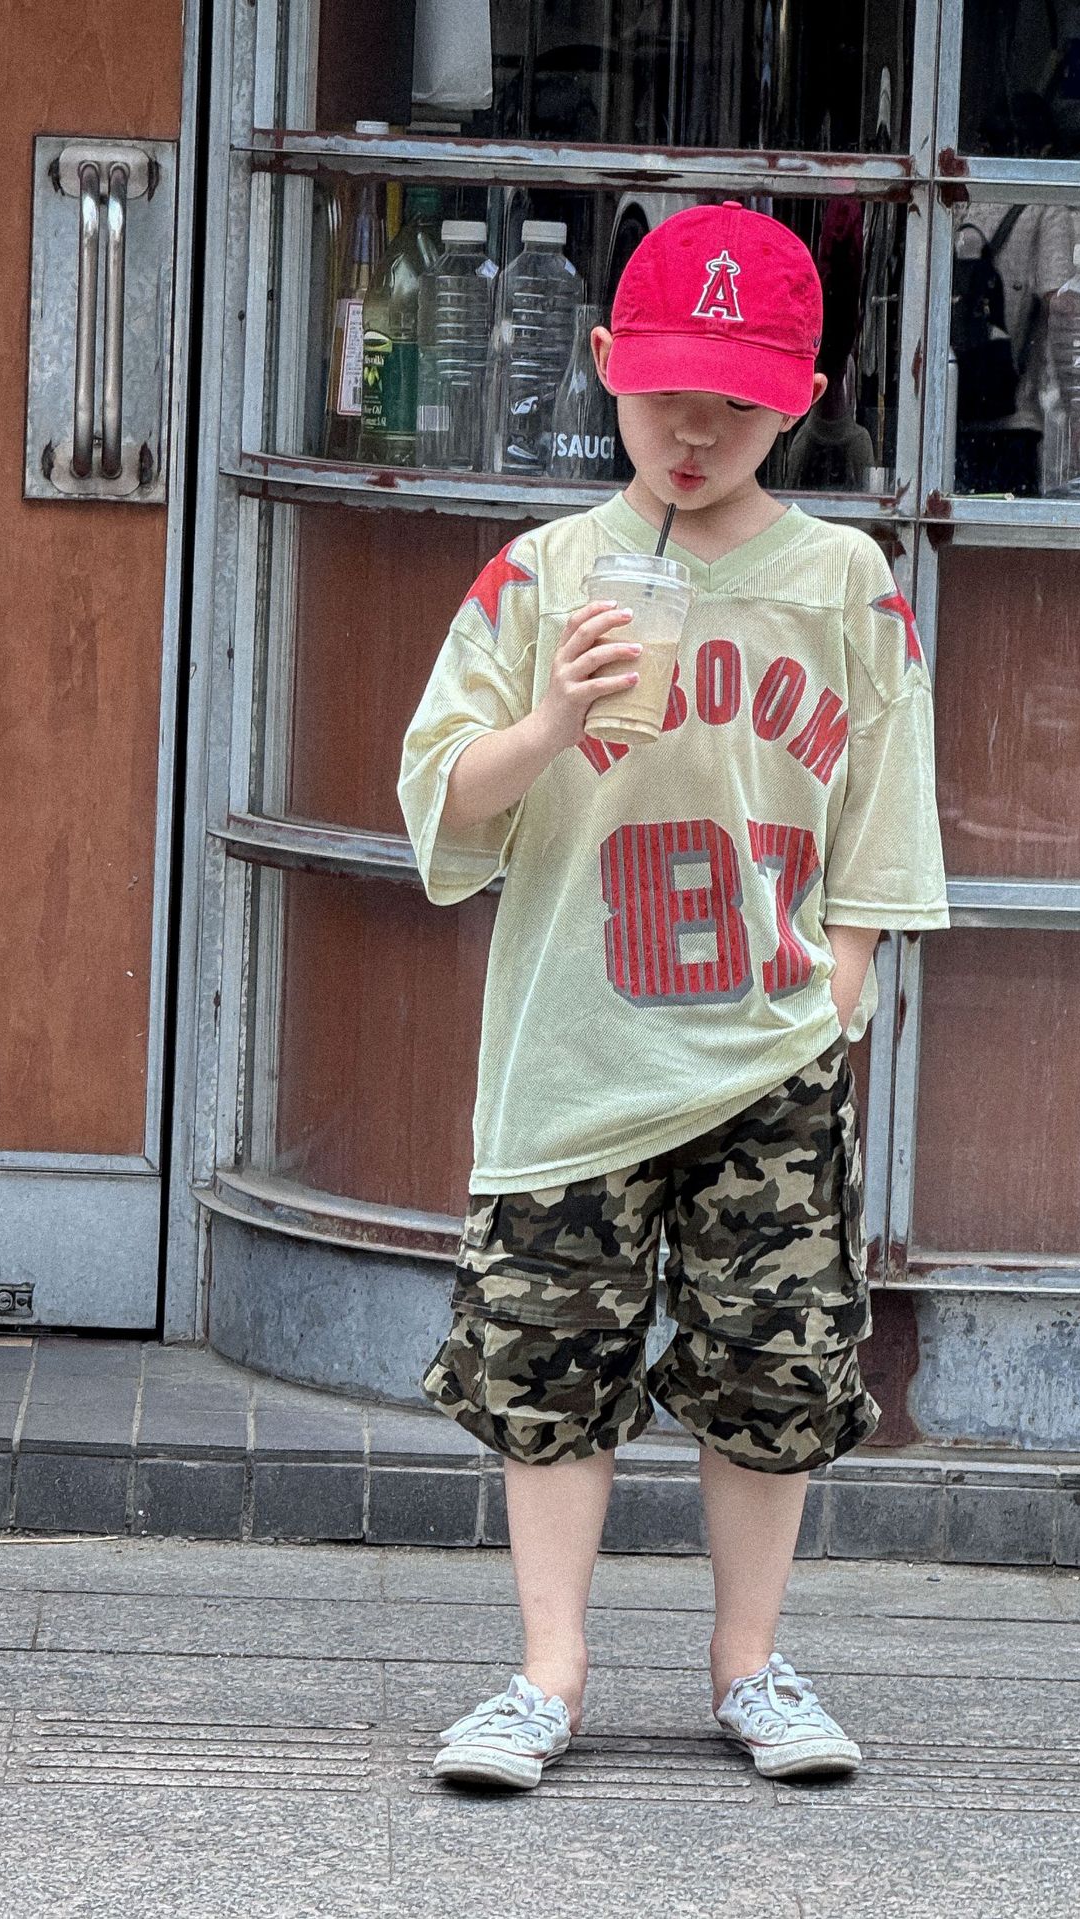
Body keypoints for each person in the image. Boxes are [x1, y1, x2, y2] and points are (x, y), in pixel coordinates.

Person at [398, 200, 949, 1790]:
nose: (693, 433)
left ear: (805, 398)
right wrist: (549, 721)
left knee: (776, 1362)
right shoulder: (541, 573)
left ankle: (749, 1666)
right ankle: (548, 1677)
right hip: (573, 1048)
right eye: (662, 396)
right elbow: (442, 803)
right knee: (546, 1363)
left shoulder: (842, 580)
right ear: (602, 366)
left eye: (735, 402)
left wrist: (843, 982)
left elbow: (886, 801)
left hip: (765, 1053)